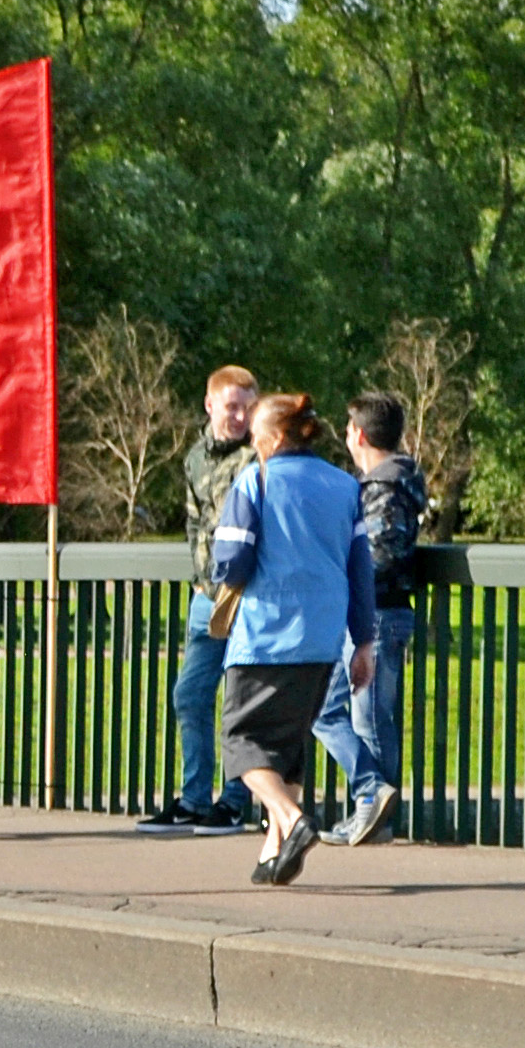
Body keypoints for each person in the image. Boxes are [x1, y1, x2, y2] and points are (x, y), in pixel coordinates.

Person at [209, 391, 381, 887]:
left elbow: (232, 560)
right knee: (288, 744)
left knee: (240, 743)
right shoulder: (346, 487)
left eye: (258, 438)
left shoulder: (255, 480)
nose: (254, 446)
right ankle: (275, 852)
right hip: (323, 634)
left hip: (265, 632)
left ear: (277, 437)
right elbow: (360, 570)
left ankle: (292, 818)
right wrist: (363, 641)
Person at [139, 365, 261, 828]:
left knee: (239, 699)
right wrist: (199, 576)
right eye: (231, 407)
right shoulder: (195, 458)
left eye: (248, 407)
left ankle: (234, 799)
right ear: (210, 405)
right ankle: (193, 797)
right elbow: (196, 522)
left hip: (247, 595)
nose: (239, 416)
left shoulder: (259, 455)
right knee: (190, 694)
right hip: (206, 596)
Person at [315, 392, 427, 845]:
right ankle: (371, 800)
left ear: (358, 434)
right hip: (368, 616)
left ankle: (375, 813)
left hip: (379, 614)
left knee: (371, 720)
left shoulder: (384, 489)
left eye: (347, 429)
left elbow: (380, 556)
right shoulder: (383, 485)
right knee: (325, 710)